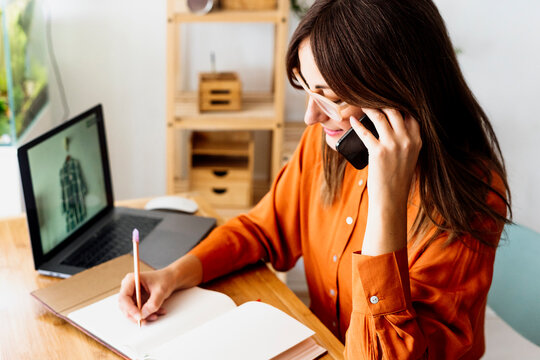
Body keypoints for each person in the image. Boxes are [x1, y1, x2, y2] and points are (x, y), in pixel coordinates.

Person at [119, 0, 512, 358]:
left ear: (400, 93)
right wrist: (173, 275)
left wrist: (386, 204)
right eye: (307, 89)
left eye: (332, 98)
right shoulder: (330, 142)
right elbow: (262, 230)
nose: (311, 116)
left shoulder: (470, 202)